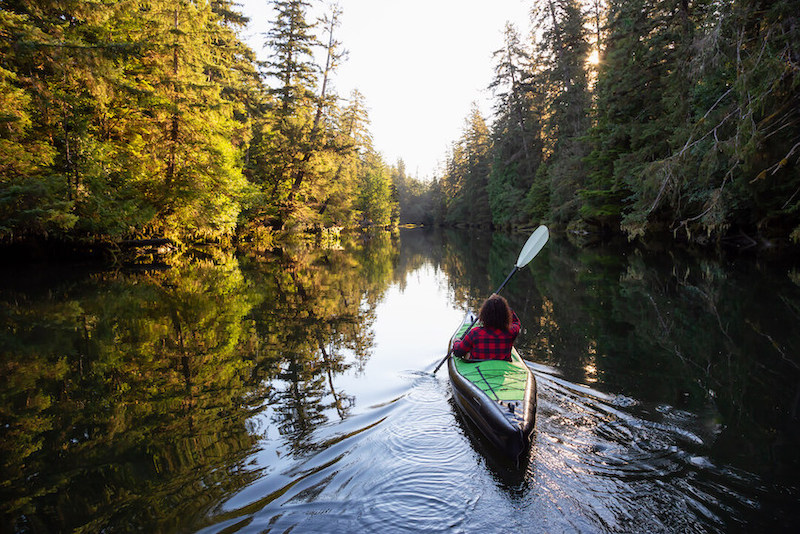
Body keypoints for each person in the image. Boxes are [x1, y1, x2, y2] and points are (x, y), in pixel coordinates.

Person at [452, 294, 521, 361]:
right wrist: (503, 307)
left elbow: (458, 352)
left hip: (477, 365)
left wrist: (456, 341)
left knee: (467, 352)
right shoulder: (511, 332)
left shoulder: (475, 333)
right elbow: (516, 323)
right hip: (502, 364)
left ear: (484, 314)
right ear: (506, 314)